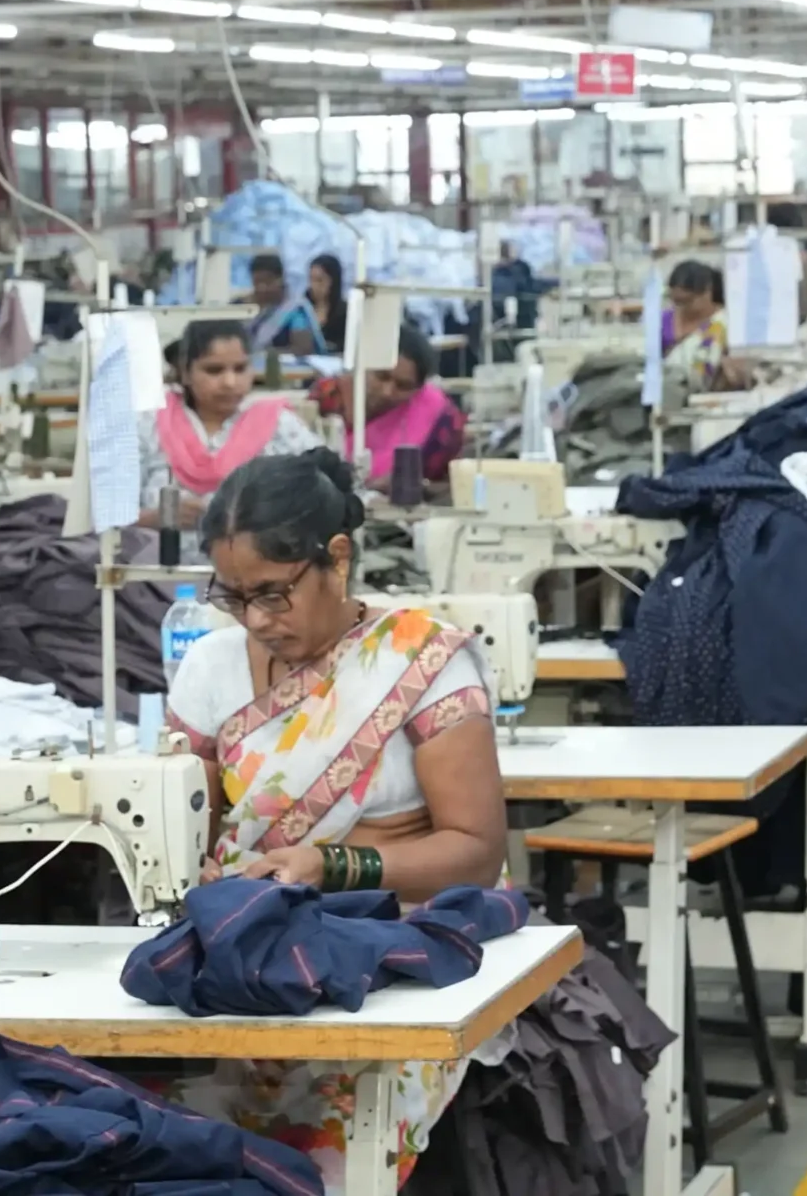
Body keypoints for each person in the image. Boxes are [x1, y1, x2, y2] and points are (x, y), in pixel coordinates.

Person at [164, 450, 505, 1186]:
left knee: (320, 1156)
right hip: (251, 961)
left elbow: (477, 850)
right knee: (157, 1137)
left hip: (391, 959)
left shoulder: (422, 660)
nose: (256, 619)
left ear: (338, 558)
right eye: (234, 597)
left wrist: (334, 865)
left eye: (273, 593)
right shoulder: (211, 668)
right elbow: (185, 830)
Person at [140, 319, 323, 521]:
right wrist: (154, 518)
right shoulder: (149, 424)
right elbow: (113, 513)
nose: (229, 382)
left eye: (240, 368)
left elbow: (326, 491)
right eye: (214, 370)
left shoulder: (278, 425)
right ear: (185, 373)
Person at [309, 324, 468, 486]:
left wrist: (415, 486)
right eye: (381, 376)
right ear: (365, 365)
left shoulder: (440, 420)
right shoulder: (329, 396)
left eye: (403, 386)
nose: (387, 392)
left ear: (418, 389)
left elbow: (450, 483)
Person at [661, 259, 739, 391]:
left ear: (707, 292)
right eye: (676, 301)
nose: (681, 307)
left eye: (687, 301)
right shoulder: (664, 321)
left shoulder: (726, 322)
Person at [300, 252, 348, 354]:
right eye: (311, 279)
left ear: (333, 281)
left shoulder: (345, 312)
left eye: (320, 280)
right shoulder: (302, 308)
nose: (314, 286)